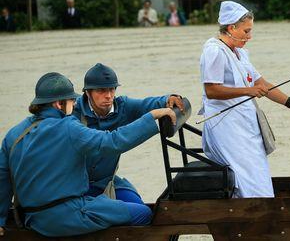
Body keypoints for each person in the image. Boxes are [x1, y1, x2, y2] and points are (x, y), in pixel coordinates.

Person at [0, 72, 176, 237]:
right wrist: (151, 117)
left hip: (33, 220)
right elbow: (112, 142)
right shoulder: (68, 127)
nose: (74, 104)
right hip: (68, 215)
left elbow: (3, 179)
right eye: (71, 100)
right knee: (144, 213)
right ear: (58, 104)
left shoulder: (14, 135)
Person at [199, 1, 290, 198]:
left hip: (244, 125)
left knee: (257, 171)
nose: (249, 37)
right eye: (246, 31)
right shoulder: (214, 51)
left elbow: (262, 84)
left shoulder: (240, 53)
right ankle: (254, 214)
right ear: (231, 28)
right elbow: (212, 90)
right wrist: (248, 91)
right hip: (227, 128)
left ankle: (261, 208)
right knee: (246, 177)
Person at [73, 63, 184, 206]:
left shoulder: (122, 107)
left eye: (111, 89)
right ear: (88, 93)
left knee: (142, 211)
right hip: (76, 186)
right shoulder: (73, 115)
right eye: (101, 91)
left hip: (106, 182)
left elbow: (147, 104)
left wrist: (169, 99)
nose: (108, 96)